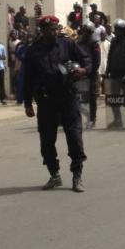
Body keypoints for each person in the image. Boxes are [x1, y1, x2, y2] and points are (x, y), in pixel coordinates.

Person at [24, 15, 90, 192]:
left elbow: (87, 61)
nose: (54, 32)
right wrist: (27, 103)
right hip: (46, 101)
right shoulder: (33, 50)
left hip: (67, 97)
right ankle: (54, 174)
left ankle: (77, 175)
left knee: (74, 137)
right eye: (50, 29)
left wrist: (83, 70)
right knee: (46, 140)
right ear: (43, 30)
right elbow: (27, 78)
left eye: (55, 28)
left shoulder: (67, 44)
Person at [106, 19, 125, 129]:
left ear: (124, 30)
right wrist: (107, 72)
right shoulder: (114, 41)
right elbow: (110, 57)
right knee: (113, 98)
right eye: (116, 30)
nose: (116, 32)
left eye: (119, 30)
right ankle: (117, 119)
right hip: (114, 74)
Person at [78, 21, 101, 129]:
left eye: (88, 31)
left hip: (91, 74)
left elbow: (96, 61)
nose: (86, 33)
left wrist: (88, 71)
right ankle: (79, 118)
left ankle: (92, 118)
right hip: (79, 73)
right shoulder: (79, 43)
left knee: (92, 97)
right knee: (79, 97)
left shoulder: (94, 43)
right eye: (85, 31)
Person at [8, 30, 21, 95]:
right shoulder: (9, 42)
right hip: (12, 62)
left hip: (17, 61)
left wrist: (13, 52)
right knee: (13, 77)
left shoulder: (19, 42)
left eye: (14, 34)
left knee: (17, 77)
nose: (13, 35)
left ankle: (18, 91)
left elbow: (19, 52)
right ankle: (14, 91)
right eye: (12, 34)